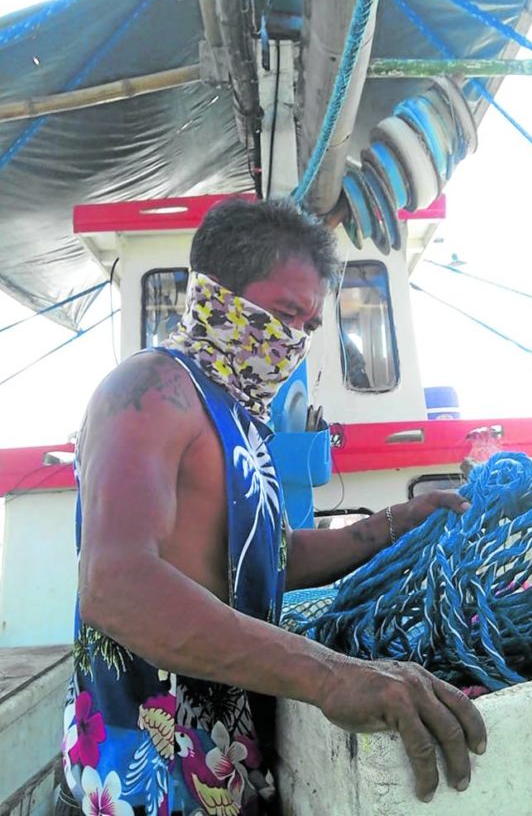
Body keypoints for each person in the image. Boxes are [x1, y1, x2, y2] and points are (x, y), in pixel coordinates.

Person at [58, 198, 485, 816]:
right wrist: (330, 675)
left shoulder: (239, 417)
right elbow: (115, 583)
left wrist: (395, 525)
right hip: (136, 777)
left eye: (309, 327)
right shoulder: (151, 389)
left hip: (222, 763)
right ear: (217, 291)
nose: (292, 341)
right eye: (286, 313)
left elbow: (270, 556)